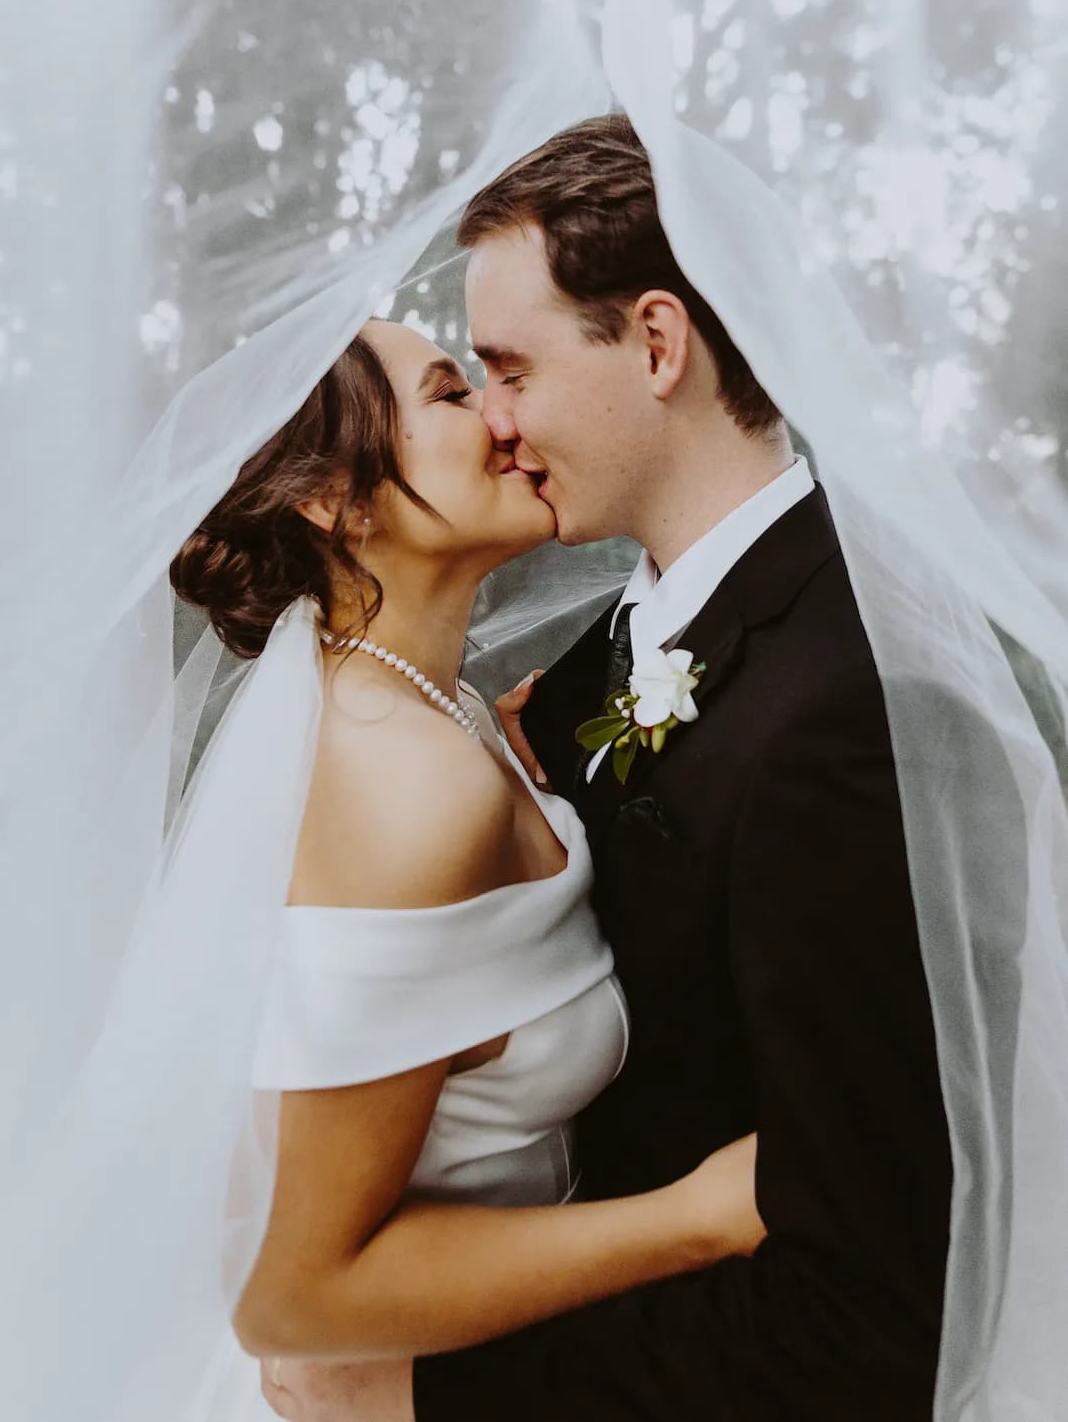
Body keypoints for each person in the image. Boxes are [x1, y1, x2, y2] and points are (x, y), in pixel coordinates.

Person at [274, 114, 953, 1422]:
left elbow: (863, 1320)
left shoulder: (843, 703)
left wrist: (426, 1394)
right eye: (470, 383)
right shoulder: (588, 668)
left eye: (509, 369)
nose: (501, 424)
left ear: (655, 342)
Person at [169, 316, 765, 1418]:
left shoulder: (441, 713)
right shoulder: (405, 783)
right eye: (450, 393)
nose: (504, 417)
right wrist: (700, 1215)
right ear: (332, 500)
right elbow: (291, 1301)